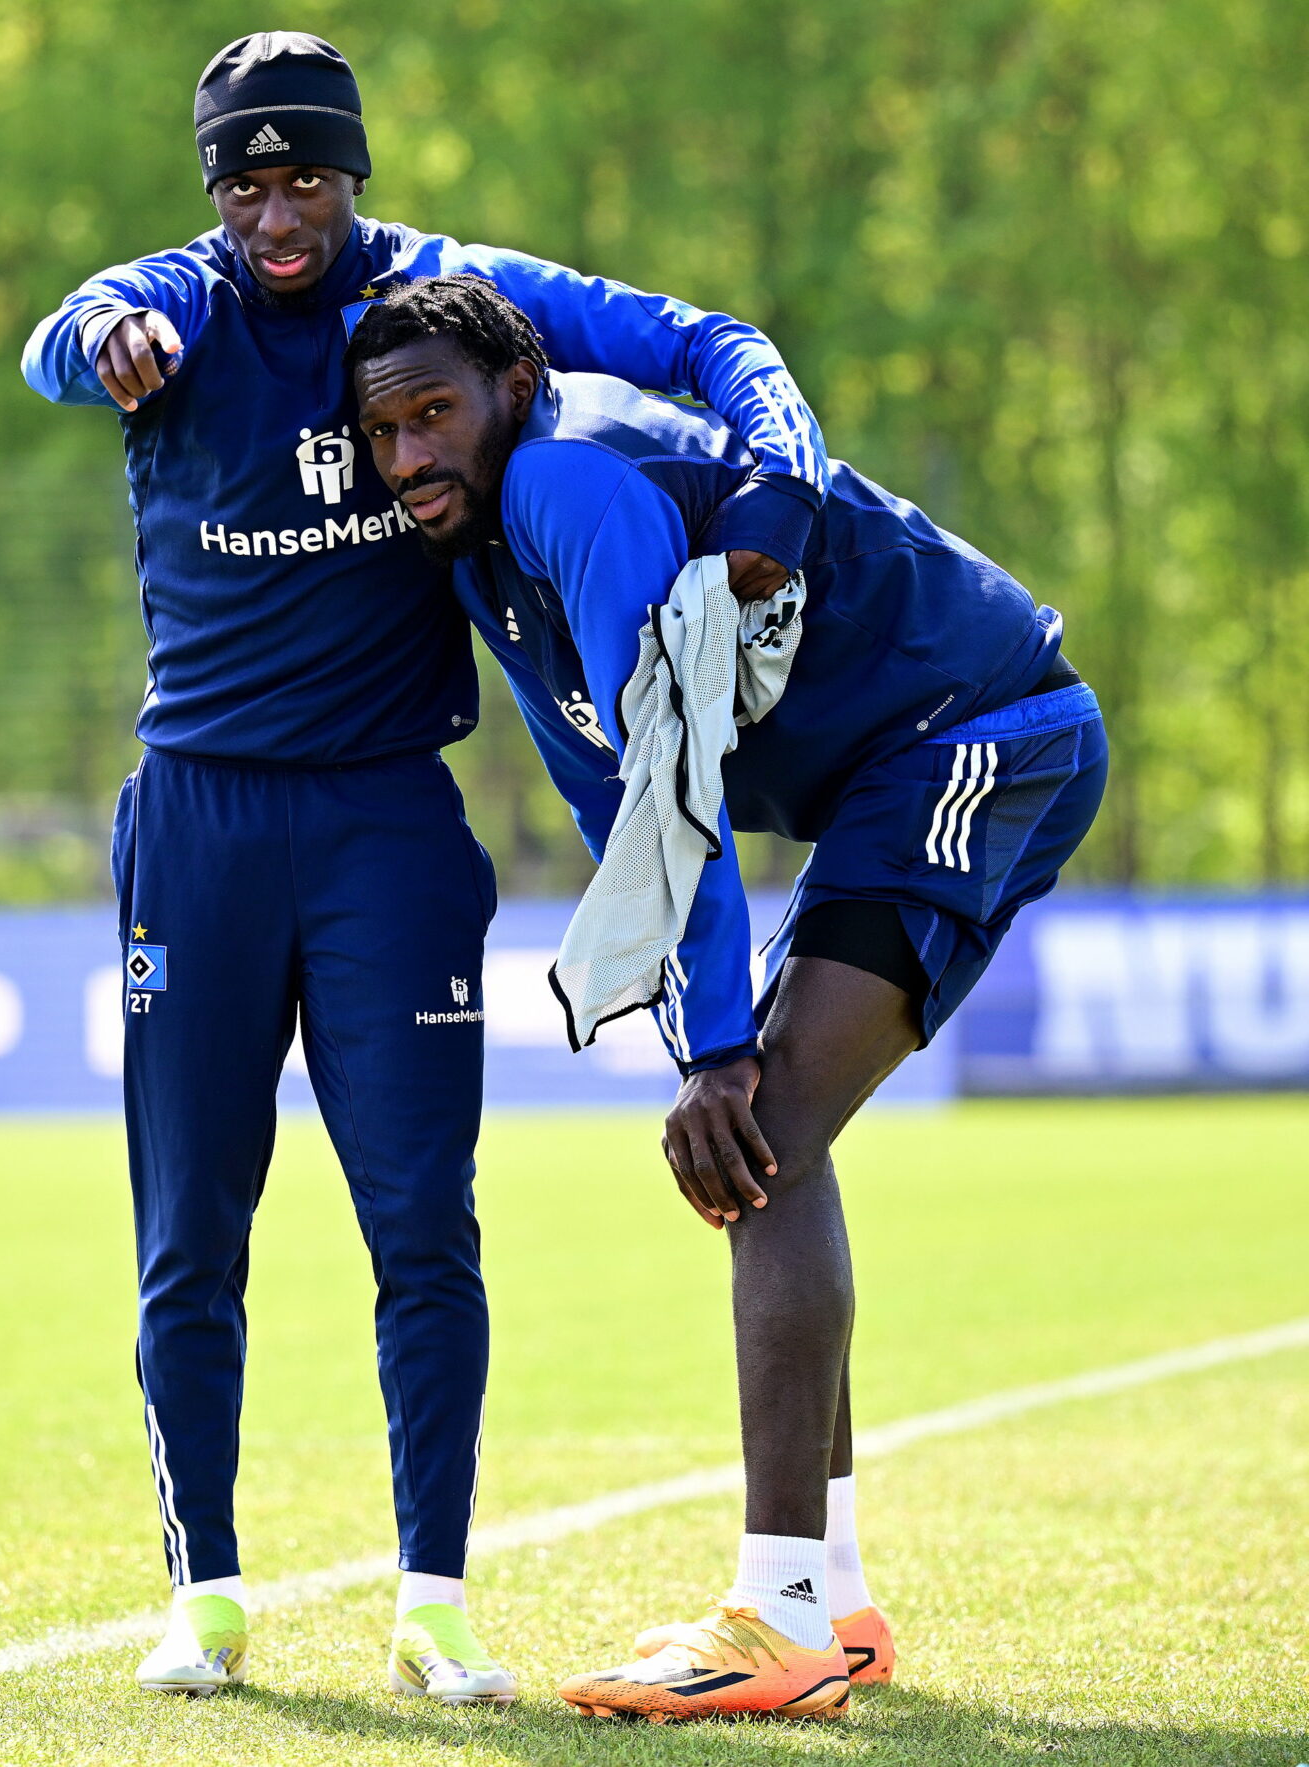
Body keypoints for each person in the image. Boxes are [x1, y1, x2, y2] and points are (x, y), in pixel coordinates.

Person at [21, 32, 834, 1702]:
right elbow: (56, 341)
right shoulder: (169, 305)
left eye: (305, 174)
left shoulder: (450, 303)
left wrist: (773, 474)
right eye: (245, 183)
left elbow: (695, 337)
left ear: (353, 173)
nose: (277, 213)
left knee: (424, 1225)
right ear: (214, 194)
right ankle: (206, 1593)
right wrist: (98, 332)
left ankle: (436, 1595)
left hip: (390, 827)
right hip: (199, 824)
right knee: (190, 1227)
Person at [347, 274, 1104, 1721]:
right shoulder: (483, 558)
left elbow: (674, 761)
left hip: (982, 730)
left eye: (435, 413)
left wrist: (713, 1054)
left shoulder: (569, 483)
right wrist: (694, 1036)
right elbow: (610, 799)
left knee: (763, 1138)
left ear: (514, 390)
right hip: (900, 768)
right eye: (383, 434)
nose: (409, 458)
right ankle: (838, 1598)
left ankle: (781, 1610)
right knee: (766, 1134)